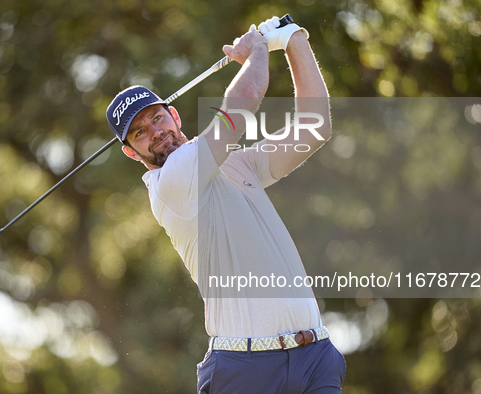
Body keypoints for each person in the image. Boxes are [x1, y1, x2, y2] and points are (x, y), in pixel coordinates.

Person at [106, 16, 345, 393]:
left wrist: (294, 39)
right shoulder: (171, 182)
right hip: (245, 370)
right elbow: (243, 102)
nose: (155, 133)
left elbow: (315, 128)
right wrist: (258, 49)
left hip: (314, 357)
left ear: (175, 115)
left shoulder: (236, 163)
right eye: (140, 133)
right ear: (132, 153)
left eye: (157, 117)